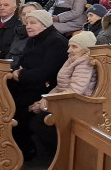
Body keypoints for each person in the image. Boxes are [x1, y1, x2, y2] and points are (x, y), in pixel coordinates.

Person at [7, 10, 69, 160]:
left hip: (46, 88)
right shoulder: (33, 39)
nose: (28, 26)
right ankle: (10, 145)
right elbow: (23, 62)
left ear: (45, 24)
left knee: (17, 105)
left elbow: (47, 71)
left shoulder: (56, 41)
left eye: (33, 23)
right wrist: (17, 72)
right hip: (29, 82)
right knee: (3, 95)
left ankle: (26, 149)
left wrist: (21, 75)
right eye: (27, 23)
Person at [28, 32, 99, 159]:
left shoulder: (85, 63)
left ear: (85, 49)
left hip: (78, 104)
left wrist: (47, 105)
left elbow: (75, 91)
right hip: (65, 101)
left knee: (39, 122)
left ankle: (66, 156)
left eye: (74, 47)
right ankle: (54, 155)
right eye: (69, 46)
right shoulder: (73, 59)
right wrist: (43, 100)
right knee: (32, 115)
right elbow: (59, 86)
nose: (69, 50)